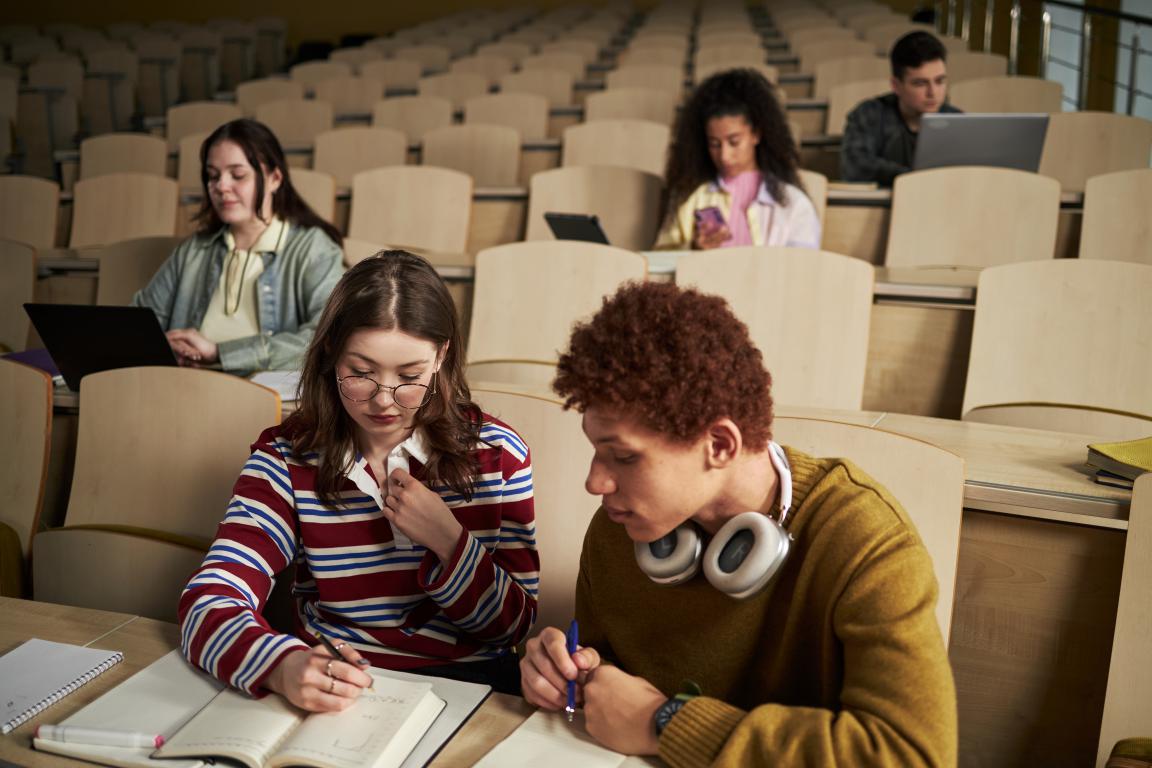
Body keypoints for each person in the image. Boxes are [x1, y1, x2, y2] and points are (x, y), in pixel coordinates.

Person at [520, 282, 957, 766]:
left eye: (623, 456)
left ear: (720, 445)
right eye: (596, 451)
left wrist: (666, 723)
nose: (596, 482)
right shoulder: (622, 525)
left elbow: (915, 755)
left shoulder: (864, 540)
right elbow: (604, 676)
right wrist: (566, 673)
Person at [178, 251, 540, 708]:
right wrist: (280, 665)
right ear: (330, 352)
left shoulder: (500, 453)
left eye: (410, 376)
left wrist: (450, 542)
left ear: (442, 357)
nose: (383, 401)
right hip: (341, 682)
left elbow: (514, 626)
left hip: (473, 686)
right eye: (361, 374)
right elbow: (208, 602)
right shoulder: (285, 457)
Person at [133, 118, 344, 374]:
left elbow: (327, 337)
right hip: (186, 385)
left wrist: (219, 353)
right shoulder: (194, 250)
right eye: (213, 176)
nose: (221, 186)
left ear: (275, 178)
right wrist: (163, 346)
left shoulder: (313, 248)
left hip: (262, 395)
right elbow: (141, 323)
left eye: (238, 175)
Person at [656, 68, 821, 251]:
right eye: (714, 144)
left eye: (734, 142)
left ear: (756, 135)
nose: (724, 156)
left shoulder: (793, 202)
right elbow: (660, 256)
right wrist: (693, 248)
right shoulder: (689, 198)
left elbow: (804, 270)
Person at [841, 31, 962, 186]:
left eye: (939, 81)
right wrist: (915, 179)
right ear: (896, 86)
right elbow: (855, 168)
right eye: (920, 83)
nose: (933, 93)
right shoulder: (867, 115)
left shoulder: (958, 121)